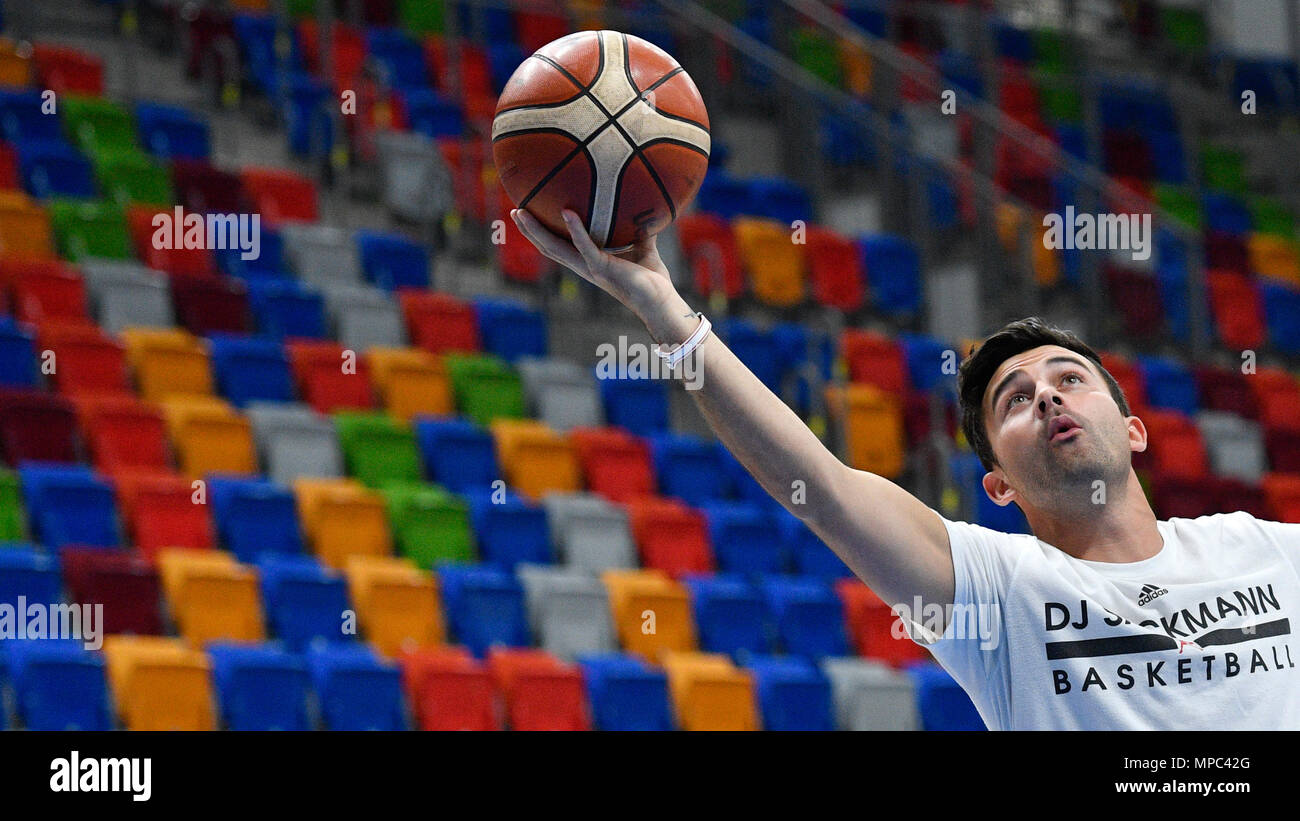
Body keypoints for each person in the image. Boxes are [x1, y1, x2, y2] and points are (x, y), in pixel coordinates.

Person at [510, 207, 1300, 730]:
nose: (1048, 399)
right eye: (1014, 400)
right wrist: (665, 313)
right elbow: (821, 489)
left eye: (1069, 379)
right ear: (999, 484)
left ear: (1133, 430)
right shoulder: (1000, 590)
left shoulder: (1263, 550)